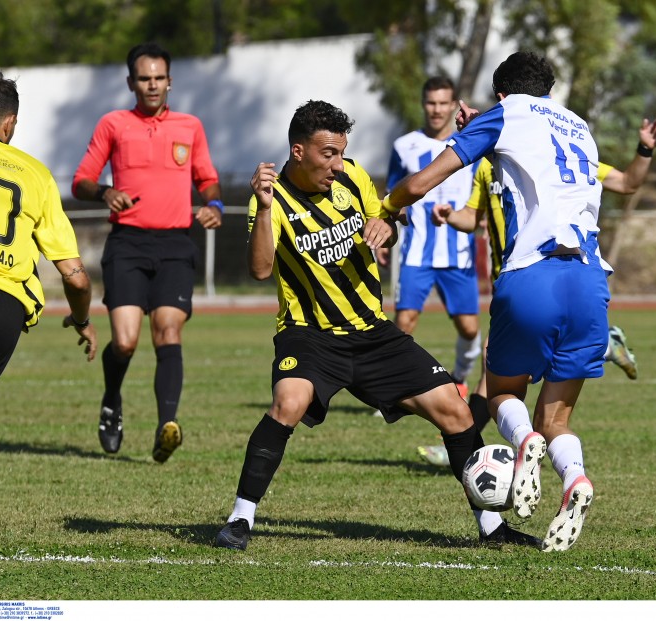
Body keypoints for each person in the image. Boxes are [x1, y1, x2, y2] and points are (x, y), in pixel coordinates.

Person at [214, 100, 538, 551]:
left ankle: (491, 527)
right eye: (327, 153)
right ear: (298, 150)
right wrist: (265, 209)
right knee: (289, 402)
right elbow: (261, 269)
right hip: (310, 334)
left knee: (457, 411)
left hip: (373, 331)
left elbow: (385, 218)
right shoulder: (271, 198)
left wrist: (387, 226)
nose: (337, 163)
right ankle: (240, 519)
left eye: (341, 152)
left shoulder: (353, 176)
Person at [384, 51, 614, 552]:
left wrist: (387, 207)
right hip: (591, 280)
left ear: (502, 93)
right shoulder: (579, 126)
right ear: (548, 92)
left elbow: (426, 179)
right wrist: (488, 129)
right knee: (560, 420)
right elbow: (540, 164)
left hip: (532, 275)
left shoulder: (505, 115)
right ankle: (575, 479)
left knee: (502, 393)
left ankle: (522, 441)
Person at [417, 117, 656, 468]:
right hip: (510, 283)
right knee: (497, 380)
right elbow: (473, 218)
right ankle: (604, 343)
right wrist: (449, 215)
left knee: (493, 378)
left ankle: (466, 450)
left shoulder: (563, 159)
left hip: (533, 282)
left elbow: (627, 183)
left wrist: (644, 149)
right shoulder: (490, 168)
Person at [72, 42, 223, 462]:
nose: (152, 85)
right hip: (128, 244)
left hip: (175, 244)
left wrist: (212, 205)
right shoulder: (113, 124)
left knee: (168, 333)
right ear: (130, 83)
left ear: (170, 81)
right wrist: (105, 191)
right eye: (144, 78)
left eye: (159, 78)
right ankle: (111, 400)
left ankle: (166, 427)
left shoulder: (190, 126)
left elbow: (208, 179)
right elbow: (81, 181)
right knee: (124, 341)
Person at [0, 68, 97, 421]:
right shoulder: (36, 175)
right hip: (2, 313)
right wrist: (82, 319)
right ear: (9, 124)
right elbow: (76, 277)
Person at [378, 77, 483, 397]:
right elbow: (392, 194)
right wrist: (388, 230)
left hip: (459, 254)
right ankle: (391, 392)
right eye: (431, 103)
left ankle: (461, 377)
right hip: (416, 253)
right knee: (404, 322)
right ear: (423, 105)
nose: (437, 110)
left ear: (453, 106)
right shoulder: (404, 146)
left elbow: (485, 192)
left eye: (443, 103)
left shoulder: (473, 144)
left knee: (469, 328)